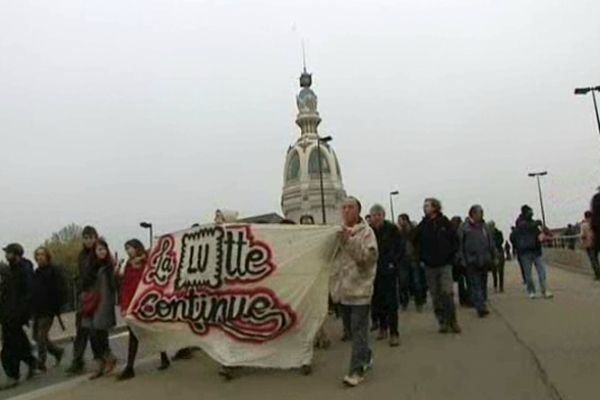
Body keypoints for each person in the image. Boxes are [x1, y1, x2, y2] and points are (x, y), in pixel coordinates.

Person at [330, 197, 378, 387]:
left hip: (360, 290)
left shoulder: (366, 233)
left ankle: (356, 370)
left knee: (359, 331)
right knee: (350, 328)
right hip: (343, 291)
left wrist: (348, 242)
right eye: (344, 207)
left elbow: (367, 258)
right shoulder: (337, 231)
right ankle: (365, 355)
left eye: (351, 207)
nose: (347, 211)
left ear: (358, 211)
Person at [117, 239, 170, 380]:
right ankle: (130, 367)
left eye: (130, 248)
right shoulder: (128, 265)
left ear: (137, 248)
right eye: (126, 248)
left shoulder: (147, 263)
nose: (128, 251)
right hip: (134, 305)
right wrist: (124, 306)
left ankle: (164, 357)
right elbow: (126, 286)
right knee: (133, 334)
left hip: (147, 303)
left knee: (153, 332)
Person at [413, 198, 461, 334]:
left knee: (447, 292)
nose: (425, 208)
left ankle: (453, 321)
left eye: (427, 205)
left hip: (445, 264)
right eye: (424, 206)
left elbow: (454, 240)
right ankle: (442, 321)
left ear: (435, 207)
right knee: (435, 295)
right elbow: (414, 242)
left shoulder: (444, 222)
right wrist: (421, 258)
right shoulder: (423, 225)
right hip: (429, 265)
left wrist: (452, 255)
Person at [0, 243, 38, 390]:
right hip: (8, 315)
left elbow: (28, 294)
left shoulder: (24, 270)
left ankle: (12, 376)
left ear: (16, 254)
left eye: (8, 253)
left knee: (9, 348)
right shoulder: (11, 271)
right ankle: (32, 361)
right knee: (20, 343)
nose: (6, 256)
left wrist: (22, 313)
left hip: (15, 315)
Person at [369, 204, 404, 347]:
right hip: (373, 270)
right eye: (374, 215)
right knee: (377, 301)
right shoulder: (369, 231)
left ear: (383, 216)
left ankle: (394, 333)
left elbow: (400, 247)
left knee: (391, 302)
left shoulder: (392, 229)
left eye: (379, 215)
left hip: (389, 269)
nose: (376, 218)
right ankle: (383, 328)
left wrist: (393, 263)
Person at [82, 238, 117, 379]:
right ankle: (100, 362)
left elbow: (113, 286)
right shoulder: (90, 266)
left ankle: (108, 357)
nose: (102, 252)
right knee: (91, 333)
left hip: (104, 302)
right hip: (91, 302)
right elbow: (85, 283)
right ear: (94, 252)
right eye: (99, 249)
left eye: (104, 249)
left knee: (99, 331)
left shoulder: (109, 266)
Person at [67, 226, 99, 374]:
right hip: (84, 296)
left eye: (91, 237)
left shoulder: (100, 253)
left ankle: (101, 356)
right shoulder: (81, 255)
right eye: (86, 237)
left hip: (97, 295)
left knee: (95, 330)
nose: (88, 240)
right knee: (81, 329)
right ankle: (78, 360)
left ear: (95, 238)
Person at [458, 206, 497, 318]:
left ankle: (482, 301)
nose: (481, 215)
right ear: (473, 214)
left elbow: (491, 243)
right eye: (479, 213)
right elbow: (460, 245)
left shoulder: (484, 227)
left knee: (483, 284)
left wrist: (494, 256)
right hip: (471, 261)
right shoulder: (464, 228)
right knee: (475, 284)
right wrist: (462, 259)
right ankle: (480, 307)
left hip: (484, 259)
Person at [32, 247, 66, 372]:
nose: (39, 257)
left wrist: (57, 306)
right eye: (37, 255)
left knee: (41, 335)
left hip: (49, 309)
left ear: (47, 256)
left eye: (42, 254)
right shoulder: (36, 272)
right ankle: (57, 352)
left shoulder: (53, 271)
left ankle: (41, 362)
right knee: (37, 336)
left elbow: (60, 289)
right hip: (38, 309)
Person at [513, 205, 553, 299]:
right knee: (528, 274)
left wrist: (543, 235)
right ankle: (531, 291)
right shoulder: (520, 223)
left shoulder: (533, 223)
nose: (531, 213)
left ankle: (544, 290)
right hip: (525, 252)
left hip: (536, 250)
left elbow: (538, 233)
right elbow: (525, 227)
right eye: (530, 212)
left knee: (542, 271)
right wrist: (537, 223)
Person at [397, 214, 426, 312]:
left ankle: (419, 303)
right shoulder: (398, 233)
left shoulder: (413, 231)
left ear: (405, 220)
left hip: (414, 259)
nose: (399, 222)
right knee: (403, 283)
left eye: (400, 220)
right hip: (402, 260)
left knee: (416, 283)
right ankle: (404, 302)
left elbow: (419, 244)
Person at [450, 216, 470, 307]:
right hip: (459, 259)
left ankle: (464, 299)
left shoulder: (455, 232)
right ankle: (465, 299)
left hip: (457, 259)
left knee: (461, 281)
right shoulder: (459, 232)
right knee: (464, 280)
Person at [580, 211, 600, 280]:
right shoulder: (595, 223)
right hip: (596, 243)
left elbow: (583, 235)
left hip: (589, 244)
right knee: (596, 258)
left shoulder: (584, 225)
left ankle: (597, 275)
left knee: (593, 260)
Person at [488, 221, 505, 293]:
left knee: (501, 271)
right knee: (494, 271)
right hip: (491, 253)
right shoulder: (487, 234)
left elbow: (501, 241)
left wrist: (495, 245)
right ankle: (495, 286)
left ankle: (501, 286)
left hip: (499, 252)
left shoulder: (499, 233)